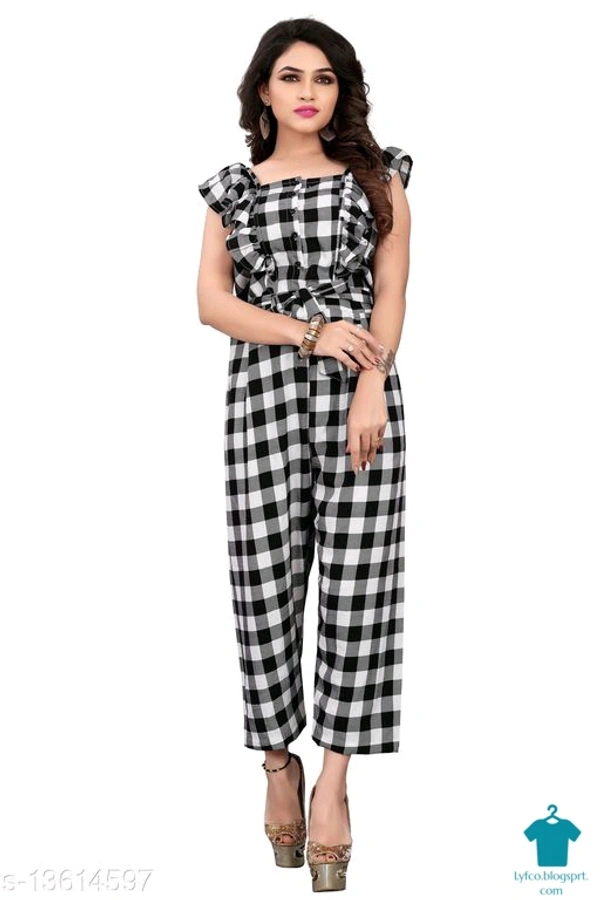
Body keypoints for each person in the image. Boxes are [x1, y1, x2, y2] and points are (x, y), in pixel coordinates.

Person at [196, 16, 412, 893]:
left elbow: (390, 292)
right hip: (261, 397)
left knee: (360, 587)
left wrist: (369, 384)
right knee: (265, 584)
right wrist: (311, 334)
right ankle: (276, 764)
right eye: (291, 76)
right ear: (263, 90)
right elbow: (212, 303)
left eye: (324, 78)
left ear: (341, 90)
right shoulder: (233, 190)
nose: (309, 92)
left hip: (362, 398)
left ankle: (333, 784)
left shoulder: (378, 177)